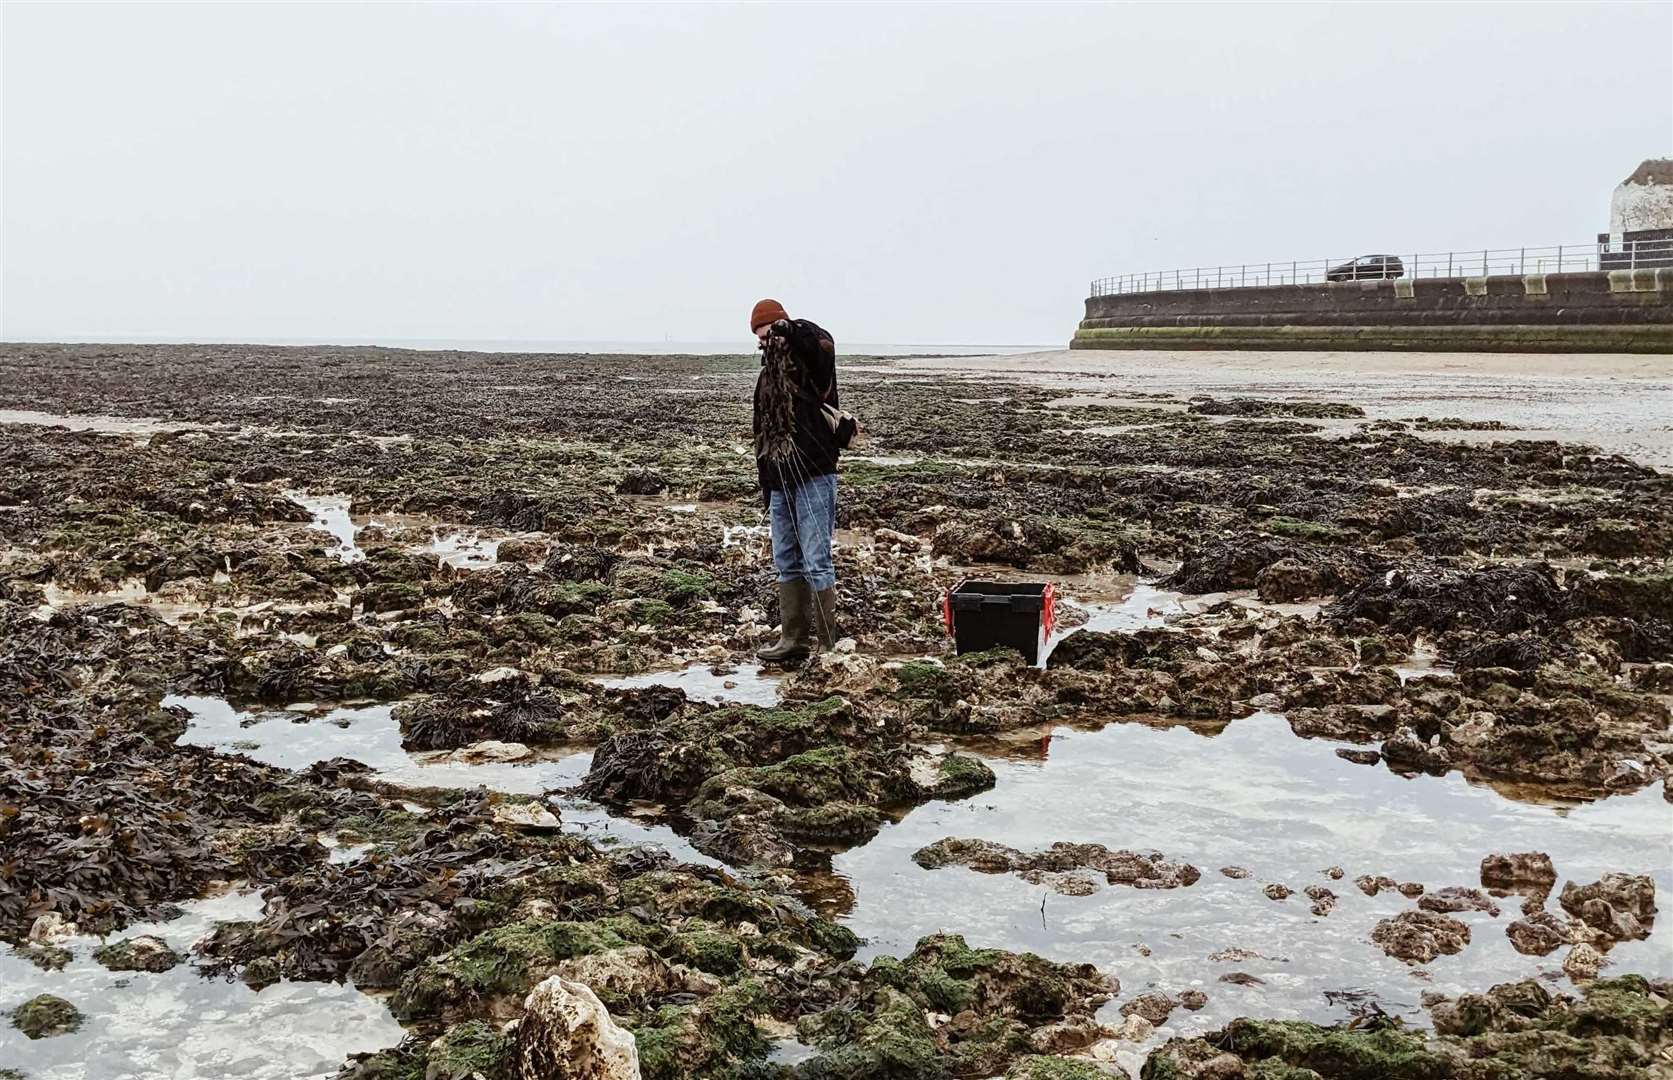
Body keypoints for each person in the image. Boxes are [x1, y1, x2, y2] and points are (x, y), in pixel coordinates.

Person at [749, 298, 853, 662]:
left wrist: (790, 330)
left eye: (767, 334)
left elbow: (822, 343)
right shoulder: (767, 377)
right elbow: (762, 435)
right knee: (786, 560)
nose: (764, 342)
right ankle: (793, 639)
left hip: (814, 473)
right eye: (759, 338)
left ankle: (827, 645)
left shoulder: (812, 361)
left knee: (817, 559)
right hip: (779, 481)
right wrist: (767, 490)